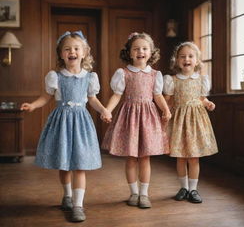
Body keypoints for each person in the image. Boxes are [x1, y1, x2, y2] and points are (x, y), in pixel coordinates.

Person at [20, 31, 111, 222]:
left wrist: (104, 110)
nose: (72, 52)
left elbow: (92, 99)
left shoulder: (89, 77)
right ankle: (67, 195)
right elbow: (46, 97)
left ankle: (78, 205)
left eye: (76, 48)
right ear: (61, 54)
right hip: (61, 123)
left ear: (84, 52)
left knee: (80, 165)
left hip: (81, 124)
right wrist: (33, 105)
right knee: (64, 164)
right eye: (67, 49)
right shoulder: (56, 76)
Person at [101, 32, 171, 209]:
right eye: (136, 48)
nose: (141, 51)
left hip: (148, 118)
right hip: (129, 118)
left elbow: (157, 96)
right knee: (131, 157)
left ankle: (144, 194)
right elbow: (117, 95)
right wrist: (107, 110)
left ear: (151, 52)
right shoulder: (123, 73)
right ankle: (133, 192)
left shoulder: (155, 74)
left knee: (145, 157)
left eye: (145, 48)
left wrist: (166, 109)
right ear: (130, 53)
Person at [163, 41, 218, 203]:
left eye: (190, 56)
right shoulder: (172, 80)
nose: (186, 59)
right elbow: (168, 100)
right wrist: (164, 112)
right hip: (179, 121)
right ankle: (183, 187)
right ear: (177, 60)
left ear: (197, 60)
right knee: (181, 156)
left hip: (195, 122)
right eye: (182, 56)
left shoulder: (201, 79)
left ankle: (193, 189)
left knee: (194, 157)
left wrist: (207, 103)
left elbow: (201, 98)